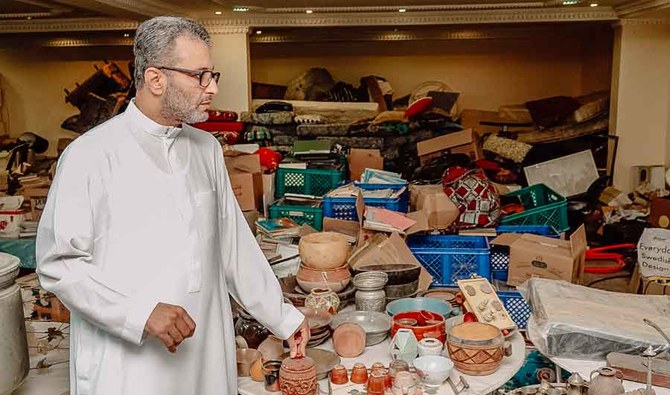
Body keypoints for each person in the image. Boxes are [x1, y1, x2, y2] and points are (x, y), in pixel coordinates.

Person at [36, 16, 309, 395]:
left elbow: (233, 246)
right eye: (199, 76)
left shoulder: (206, 149)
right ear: (155, 78)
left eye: (213, 75)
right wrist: (140, 313)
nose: (211, 88)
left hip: (206, 355)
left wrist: (282, 317)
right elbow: (59, 264)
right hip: (129, 366)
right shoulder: (90, 156)